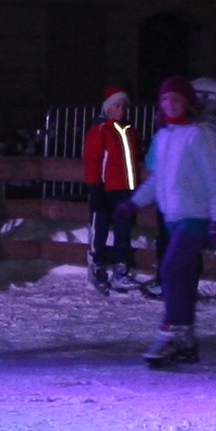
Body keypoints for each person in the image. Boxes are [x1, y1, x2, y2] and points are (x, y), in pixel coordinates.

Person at [136, 78, 216, 369]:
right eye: (164, 99)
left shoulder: (200, 135)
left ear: (188, 101)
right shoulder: (164, 137)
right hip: (172, 217)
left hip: (195, 216)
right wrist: (133, 203)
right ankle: (186, 340)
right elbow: (157, 180)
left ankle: (170, 332)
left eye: (175, 98)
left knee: (171, 269)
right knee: (182, 276)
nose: (170, 104)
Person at [78, 91, 142, 294]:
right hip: (104, 189)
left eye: (124, 106)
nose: (121, 110)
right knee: (100, 230)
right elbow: (92, 161)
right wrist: (95, 188)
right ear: (108, 108)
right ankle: (96, 268)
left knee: (123, 231)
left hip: (125, 190)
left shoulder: (129, 131)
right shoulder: (99, 130)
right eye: (117, 106)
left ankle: (120, 270)